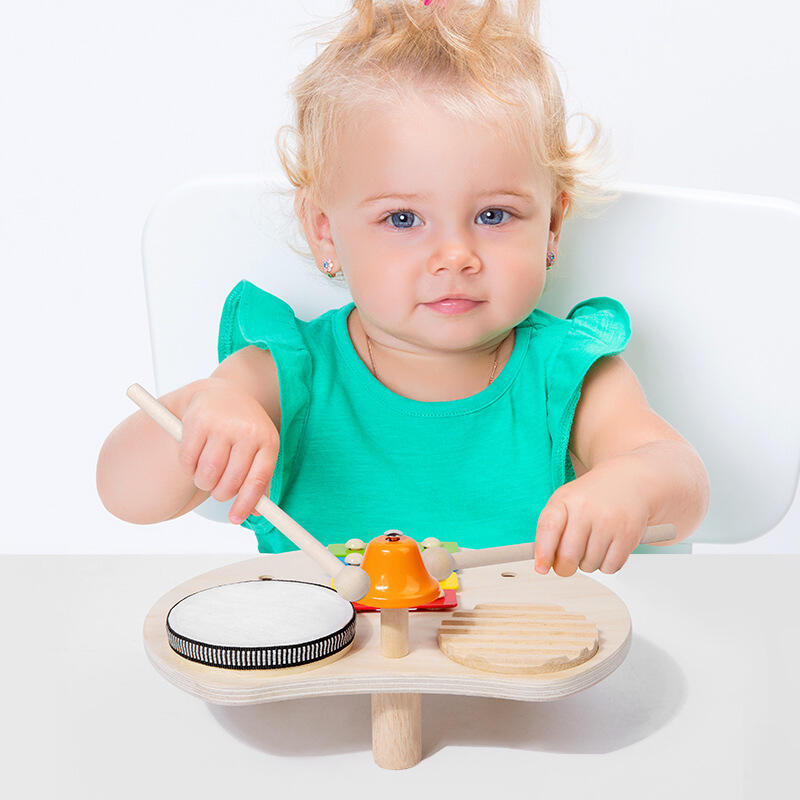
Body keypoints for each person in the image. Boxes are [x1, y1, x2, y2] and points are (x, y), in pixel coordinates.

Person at [96, 0, 709, 577]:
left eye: (494, 215)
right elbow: (126, 495)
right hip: (317, 670)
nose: (455, 257)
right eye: (402, 219)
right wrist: (204, 411)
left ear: (551, 224)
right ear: (325, 233)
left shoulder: (566, 373)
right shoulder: (281, 374)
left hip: (516, 671)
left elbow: (683, 485)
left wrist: (631, 484)